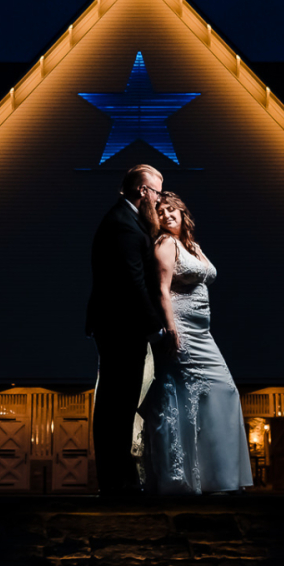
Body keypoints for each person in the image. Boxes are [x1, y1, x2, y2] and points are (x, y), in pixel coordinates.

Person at [138, 192, 253, 495]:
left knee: (222, 393)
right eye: (160, 211)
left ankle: (219, 476)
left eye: (171, 209)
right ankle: (182, 476)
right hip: (183, 330)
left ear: (182, 212)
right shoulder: (165, 244)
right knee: (191, 396)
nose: (166, 215)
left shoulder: (193, 246)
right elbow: (161, 290)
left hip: (204, 333)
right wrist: (170, 328)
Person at [85, 164, 165, 496]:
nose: (160, 200)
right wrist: (155, 327)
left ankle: (116, 478)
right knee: (117, 404)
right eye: (157, 192)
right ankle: (114, 480)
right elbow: (133, 284)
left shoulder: (127, 220)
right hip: (121, 327)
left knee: (118, 402)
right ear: (142, 191)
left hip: (118, 326)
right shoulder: (124, 226)